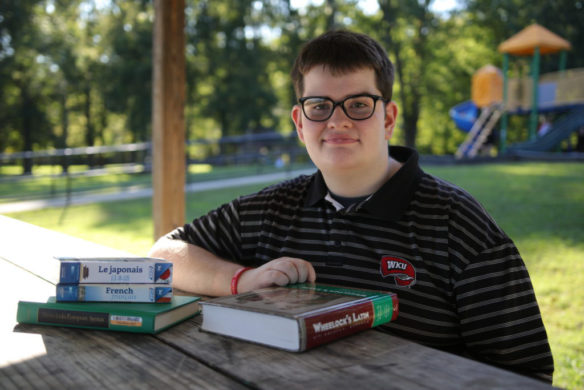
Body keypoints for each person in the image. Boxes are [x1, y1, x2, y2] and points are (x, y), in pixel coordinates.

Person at [149, 30, 554, 383]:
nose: (337, 121)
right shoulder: (269, 210)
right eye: (320, 106)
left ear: (388, 117)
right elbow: (164, 255)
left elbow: (525, 373)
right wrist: (243, 281)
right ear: (299, 122)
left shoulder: (458, 224)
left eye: (358, 105)